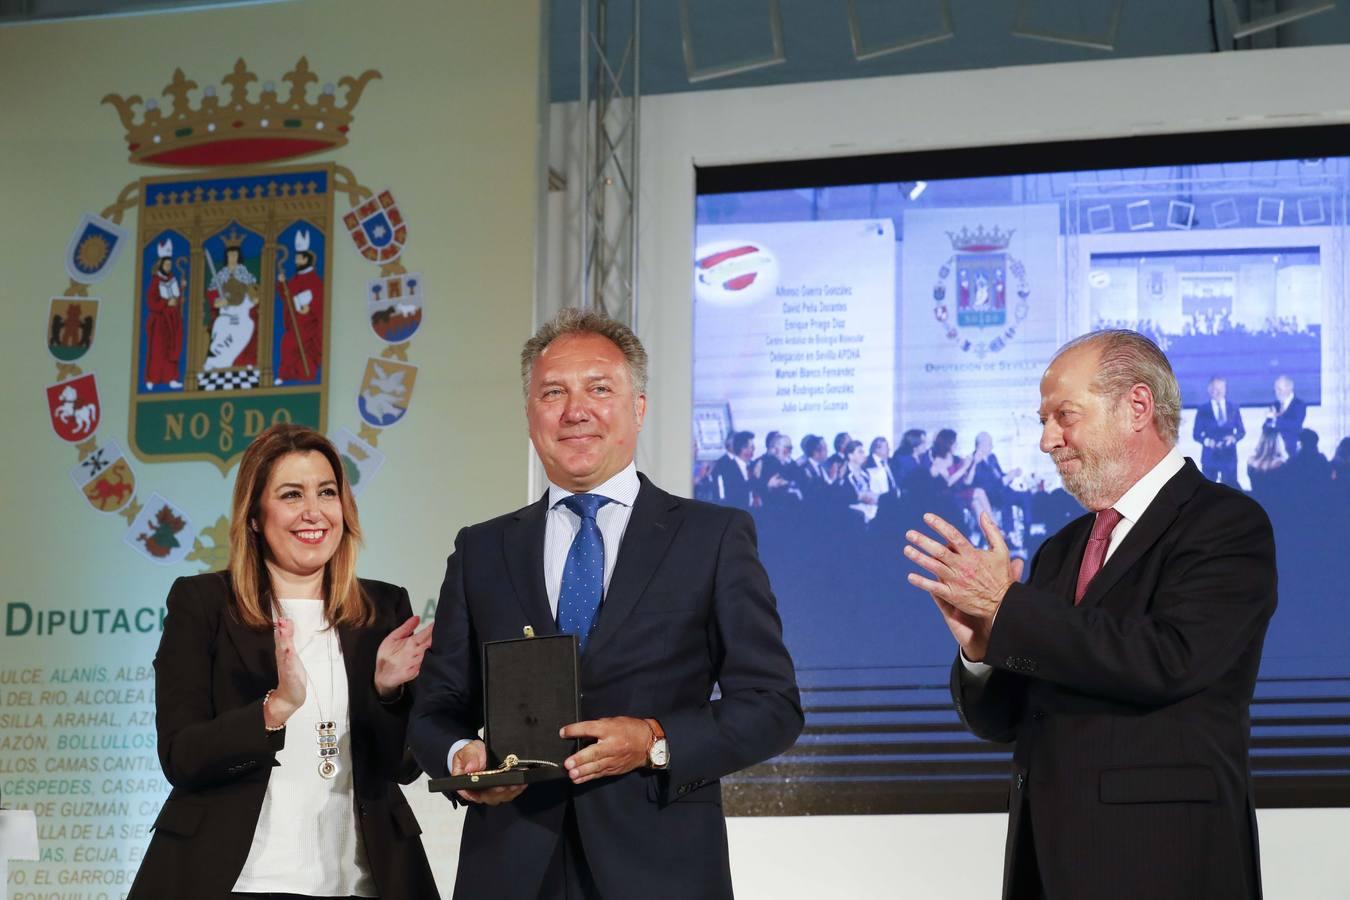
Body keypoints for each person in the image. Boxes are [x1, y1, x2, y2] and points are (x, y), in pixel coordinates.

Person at [409, 308, 802, 900]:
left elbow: (772, 706)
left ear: (638, 408)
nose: (576, 411)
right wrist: (464, 754)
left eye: (599, 389)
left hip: (661, 869)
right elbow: (436, 707)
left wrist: (653, 739)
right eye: (554, 392)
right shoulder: (481, 548)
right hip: (510, 867)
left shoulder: (712, 538)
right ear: (529, 415)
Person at [904, 330, 1276, 900]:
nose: (1048, 440)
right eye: (1042, 420)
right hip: (1046, 865)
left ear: (1137, 406)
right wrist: (980, 646)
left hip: (1165, 861)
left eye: (1064, 415)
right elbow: (1007, 721)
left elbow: (1169, 660)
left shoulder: (1225, 524)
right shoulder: (1063, 547)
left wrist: (1008, 608)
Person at [128, 424, 438, 900]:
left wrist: (388, 693)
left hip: (364, 882)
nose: (314, 512)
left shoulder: (382, 607)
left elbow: (404, 767)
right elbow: (181, 756)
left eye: (327, 492)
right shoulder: (204, 603)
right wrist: (273, 709)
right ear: (255, 515)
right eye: (292, 495)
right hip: (240, 880)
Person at [277, 230, 325, 384]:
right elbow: (287, 295)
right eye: (296, 258)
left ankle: (306, 374)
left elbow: (319, 300)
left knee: (295, 345)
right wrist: (282, 283)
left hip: (309, 325)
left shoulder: (315, 280)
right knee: (288, 343)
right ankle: (287, 374)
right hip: (296, 323)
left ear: (306, 259)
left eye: (298, 258)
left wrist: (309, 309)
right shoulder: (296, 278)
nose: (296, 261)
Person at [144, 239, 184, 390]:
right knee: (157, 352)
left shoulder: (172, 278)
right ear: (161, 264)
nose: (169, 266)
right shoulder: (155, 281)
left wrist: (180, 292)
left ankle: (172, 378)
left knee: (172, 350)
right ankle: (152, 379)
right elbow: (151, 302)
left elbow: (177, 297)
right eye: (166, 264)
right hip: (160, 322)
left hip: (172, 321)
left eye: (170, 264)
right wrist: (166, 303)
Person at [1192, 375, 1245, 485]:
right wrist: (1207, 441)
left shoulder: (1233, 407)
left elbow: (1241, 431)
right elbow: (1196, 434)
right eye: (1215, 389)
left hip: (1229, 457)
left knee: (1231, 490)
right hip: (1210, 458)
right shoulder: (1203, 409)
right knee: (1208, 492)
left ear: (1225, 390)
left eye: (1221, 389)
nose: (1218, 392)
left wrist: (1233, 438)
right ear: (1209, 390)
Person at [710, 429, 756, 509]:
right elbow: (723, 496)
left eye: (752, 447)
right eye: (746, 447)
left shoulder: (751, 465)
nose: (751, 450)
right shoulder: (724, 466)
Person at [1264, 374, 1306, 460]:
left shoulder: (1299, 405)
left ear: (1289, 388)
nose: (1277, 392)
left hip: (1292, 452)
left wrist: (1275, 421)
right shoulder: (1275, 405)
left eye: (1279, 389)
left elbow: (1295, 425)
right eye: (1275, 389)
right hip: (1274, 454)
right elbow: (1265, 427)